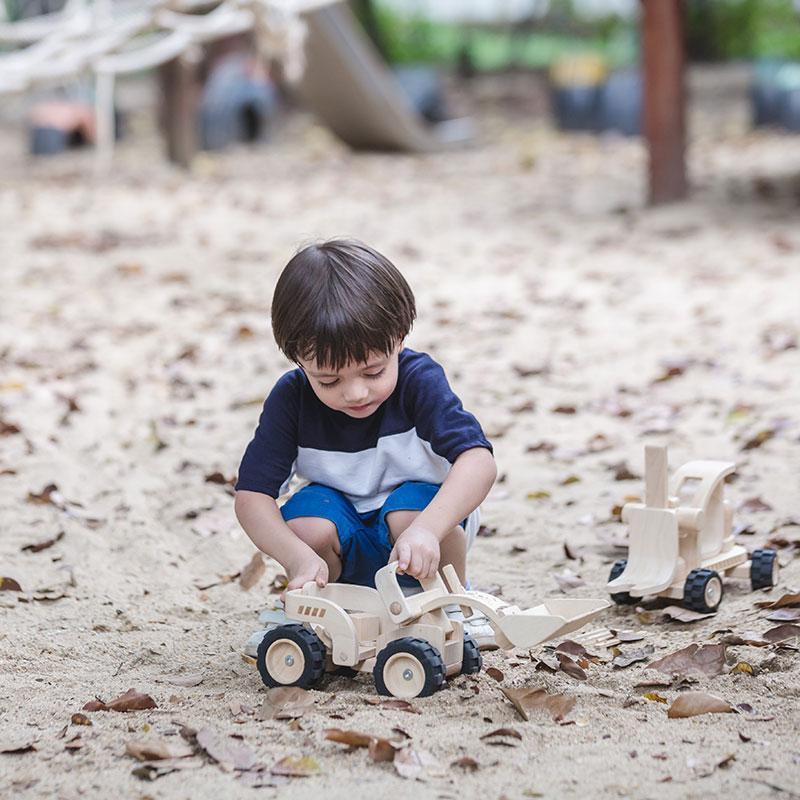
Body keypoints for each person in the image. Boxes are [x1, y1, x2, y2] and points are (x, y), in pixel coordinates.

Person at [234, 239, 496, 610]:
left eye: (373, 371)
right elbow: (251, 498)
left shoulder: (419, 381)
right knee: (306, 525)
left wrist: (427, 529)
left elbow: (478, 461)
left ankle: (449, 602)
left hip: (421, 530)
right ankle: (333, 601)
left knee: (408, 513)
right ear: (298, 361)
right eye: (328, 380)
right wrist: (297, 557)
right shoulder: (292, 398)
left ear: (398, 340)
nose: (355, 393)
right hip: (342, 525)